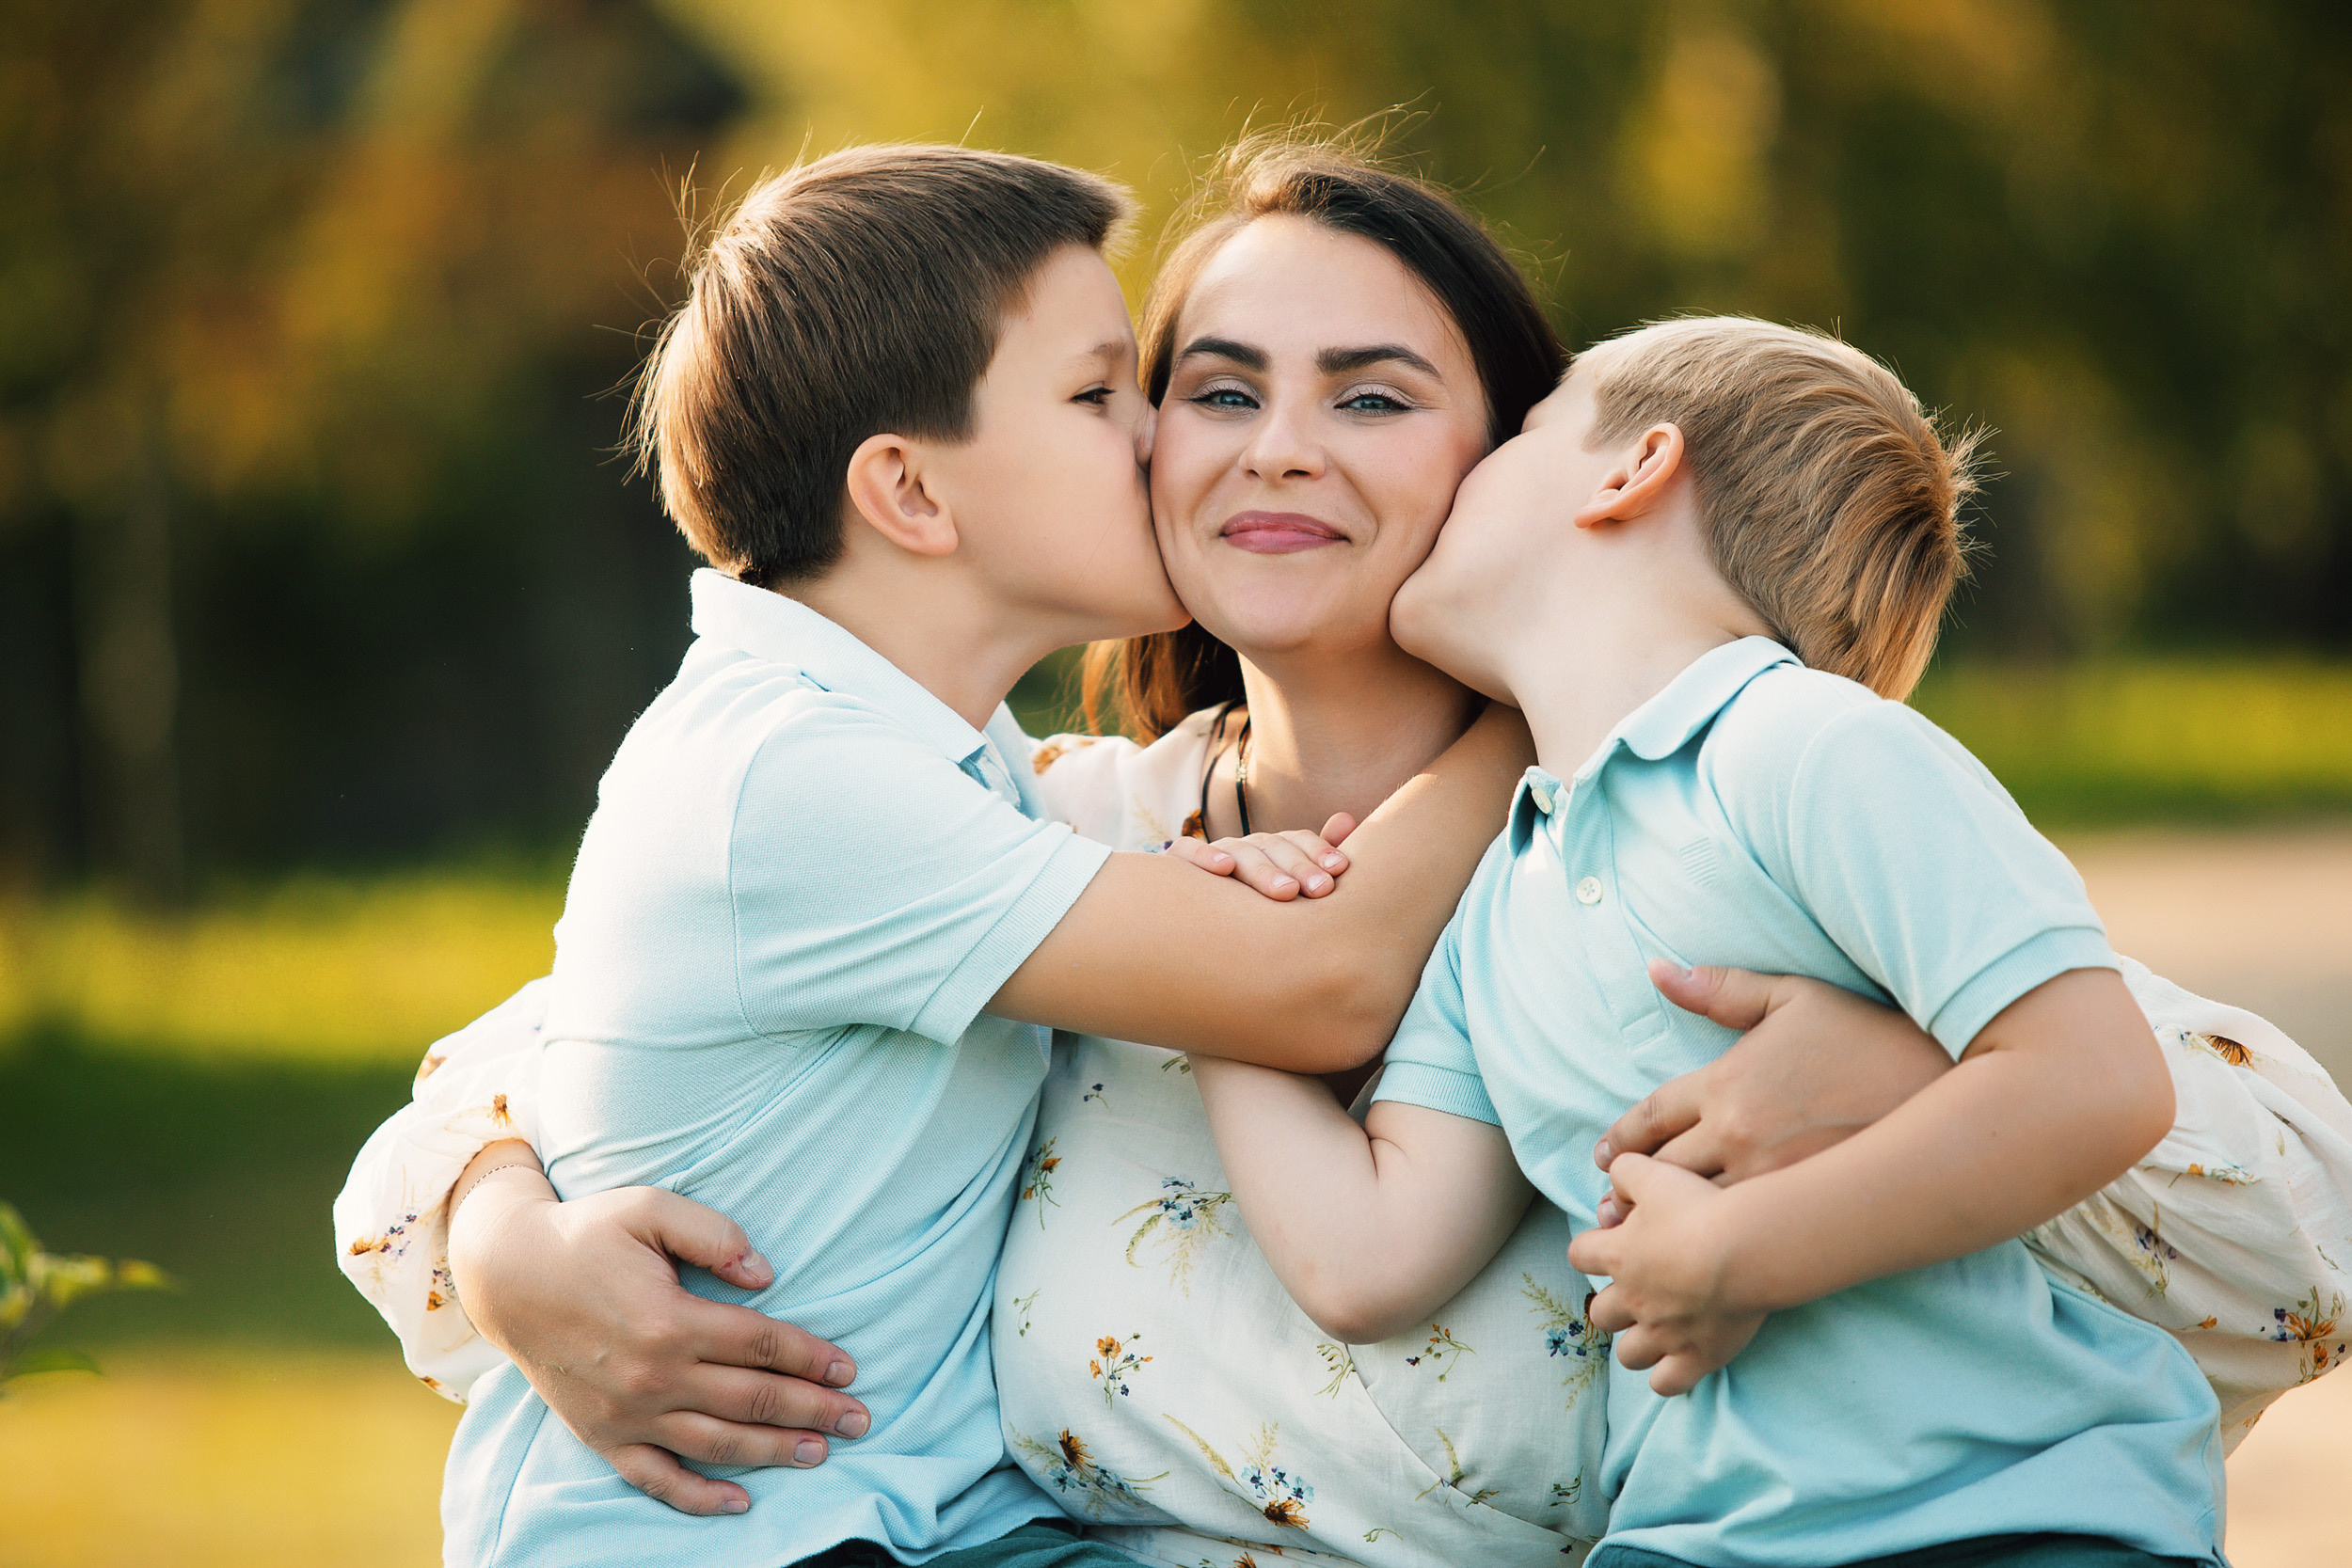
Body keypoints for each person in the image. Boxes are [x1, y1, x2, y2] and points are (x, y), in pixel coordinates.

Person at [340, 137, 2352, 1568]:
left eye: (1370, 394)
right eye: (1201, 390)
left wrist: (1896, 1080)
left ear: (1526, 465)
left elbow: (2292, 1248)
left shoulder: (1699, 837)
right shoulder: (1041, 823)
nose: (1269, 445)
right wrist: (513, 1250)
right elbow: (473, 1118)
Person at [407, 140, 1539, 1568]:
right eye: (1119, 393)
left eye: (1368, 395)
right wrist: (1550, 703)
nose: (1173, 441)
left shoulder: (977, 770)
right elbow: (1312, 980)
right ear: (915, 497)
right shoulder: (812, 778)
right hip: (740, 1536)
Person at [1187, 316, 2240, 1568]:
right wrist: (1209, 942)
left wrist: (1741, 1253)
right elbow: (1365, 1255)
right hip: (1698, 1538)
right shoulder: (1496, 902)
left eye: (1523, 437)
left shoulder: (1805, 750)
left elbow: (2099, 1080)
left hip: (2008, 1507)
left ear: (1631, 471)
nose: (1467, 478)